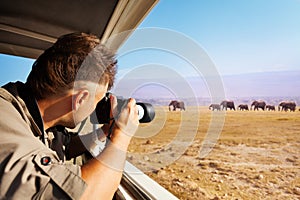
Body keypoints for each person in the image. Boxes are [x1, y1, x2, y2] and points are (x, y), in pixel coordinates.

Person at [0, 32, 139, 199]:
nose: (95, 109)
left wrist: (105, 130)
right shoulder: (5, 122)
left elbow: (64, 144)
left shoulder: (35, 117)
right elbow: (87, 195)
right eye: (97, 101)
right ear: (80, 99)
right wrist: (121, 135)